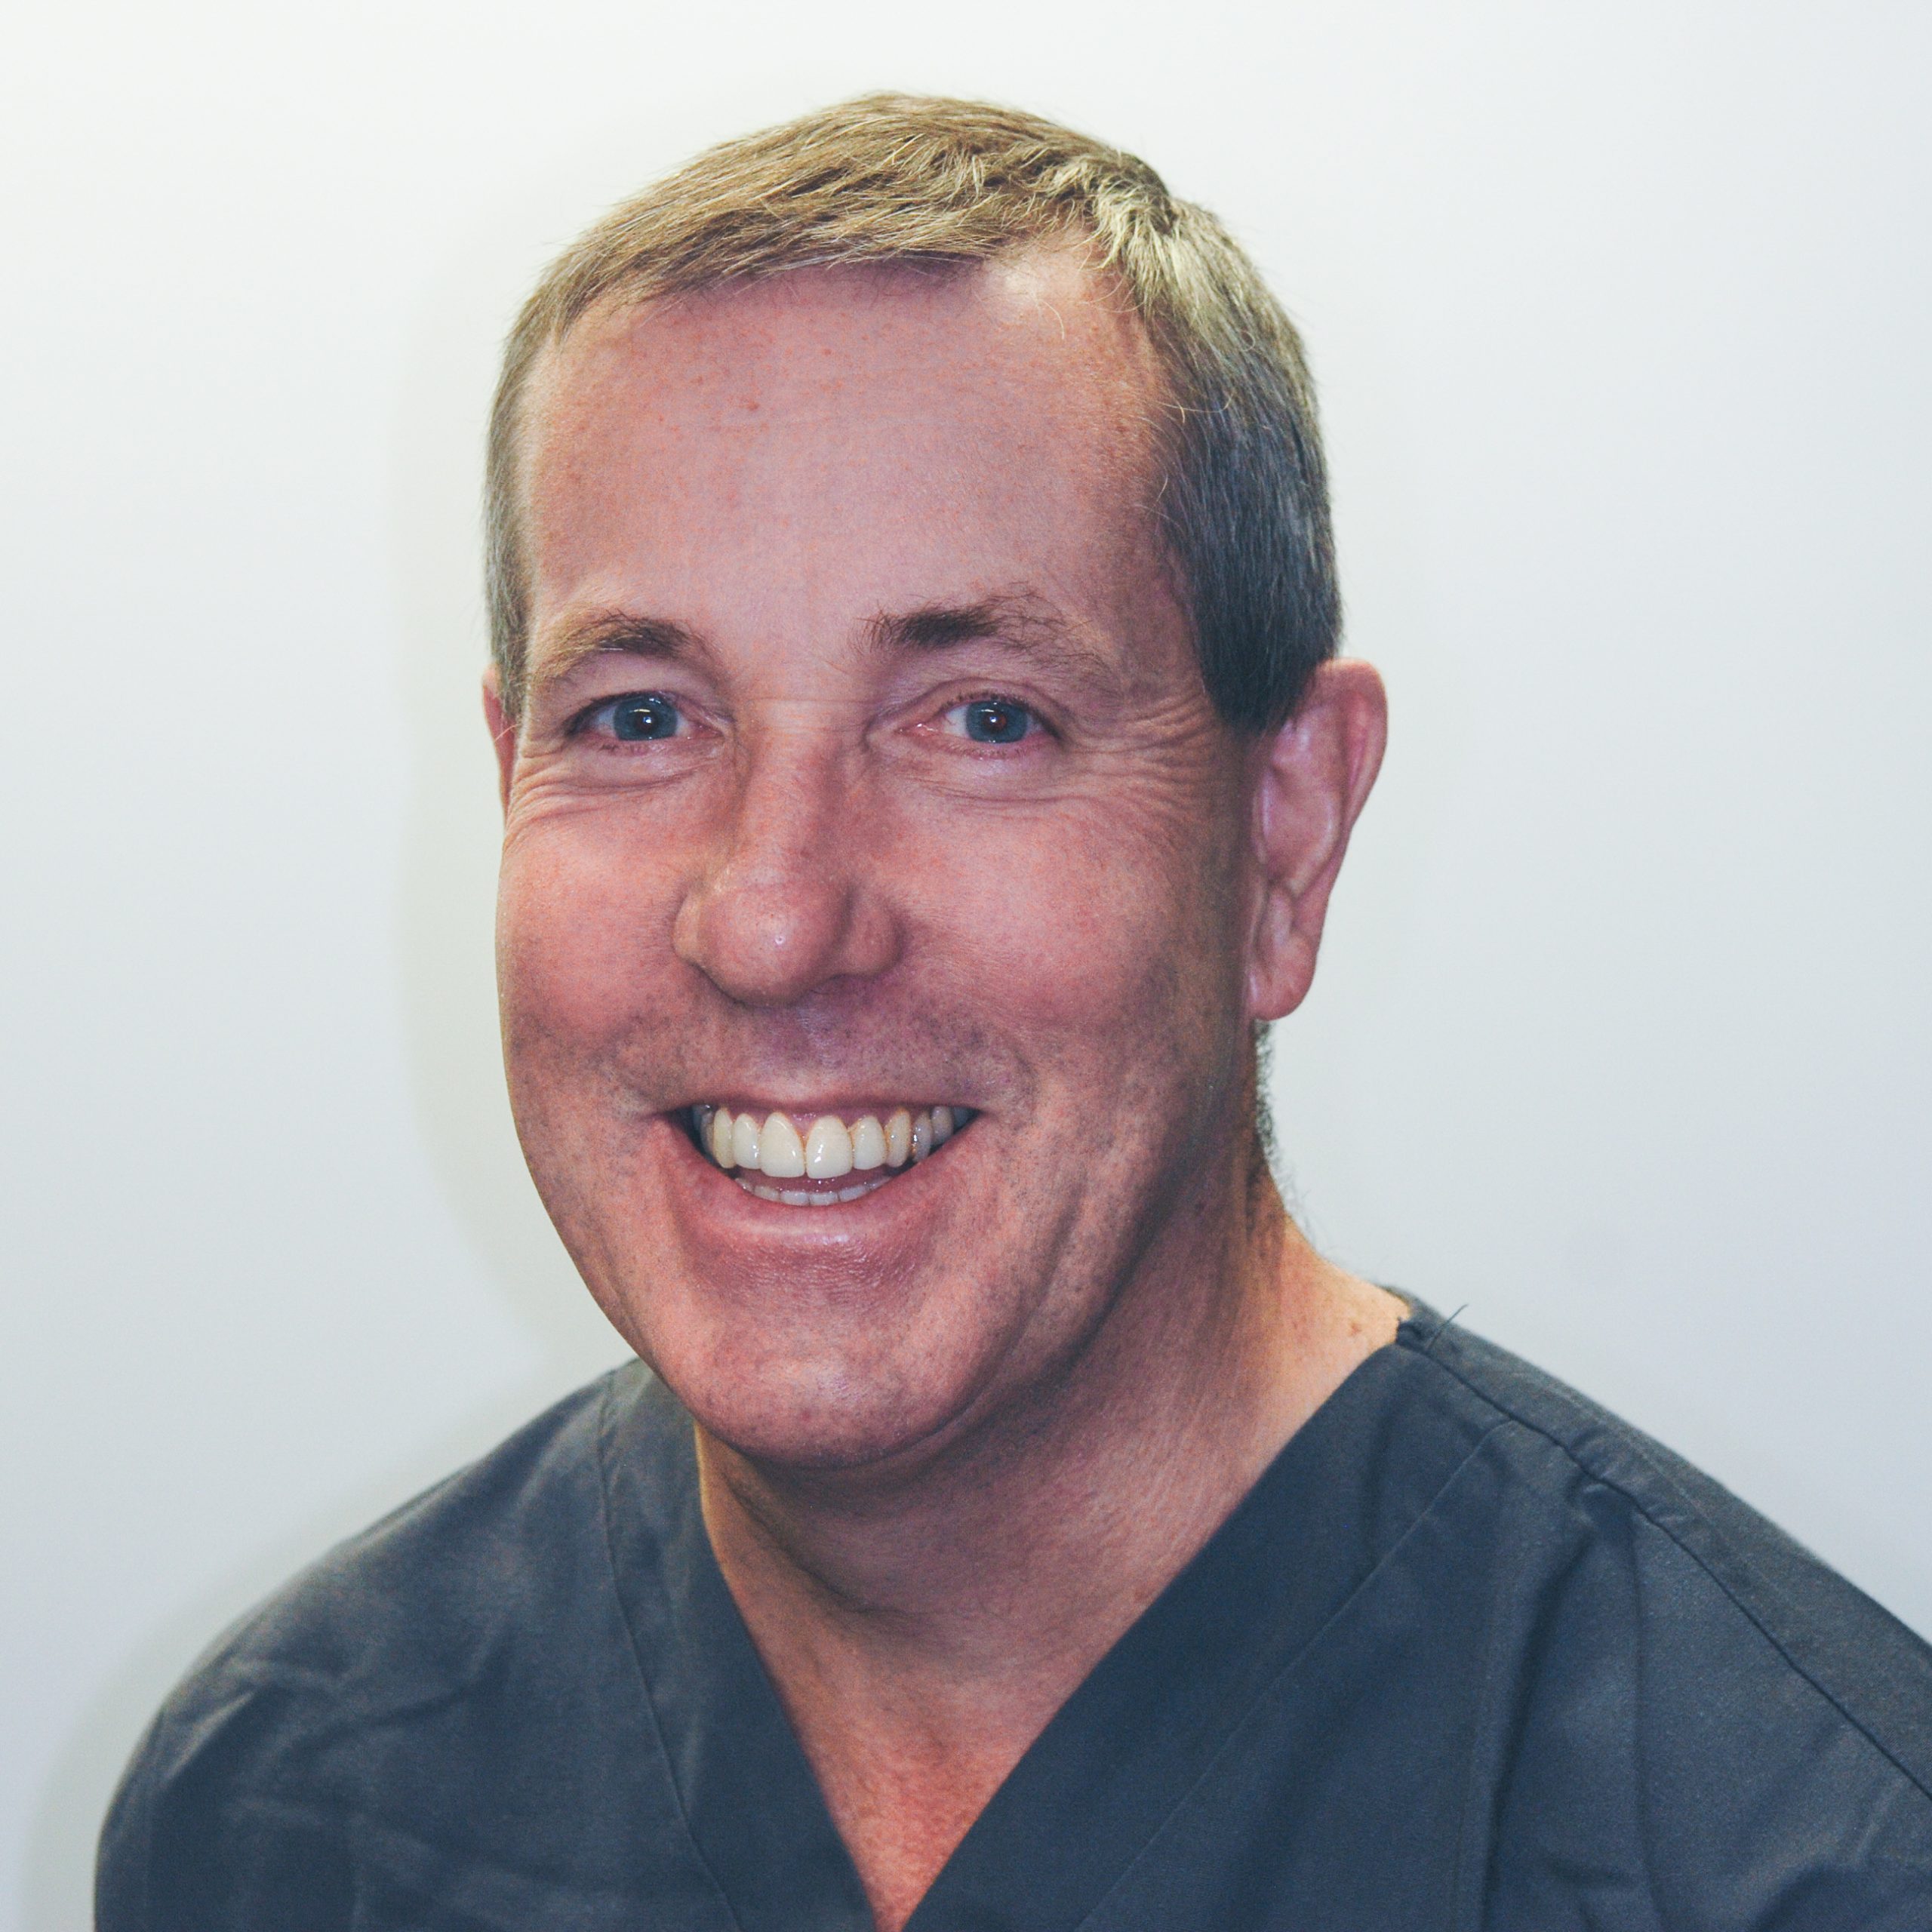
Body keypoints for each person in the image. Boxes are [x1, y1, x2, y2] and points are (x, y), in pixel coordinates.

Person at [97, 94, 1932, 1931]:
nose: (772, 918)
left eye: (984, 719)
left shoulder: (1797, 1864)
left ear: (1283, 835)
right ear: (507, 778)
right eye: (639, 718)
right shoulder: (289, 1815)